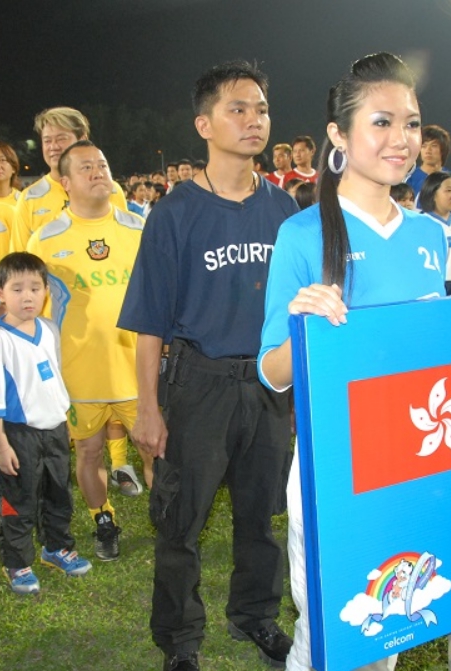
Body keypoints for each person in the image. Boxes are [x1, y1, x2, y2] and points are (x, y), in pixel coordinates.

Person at [257, 52, 451, 671]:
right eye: (381, 122)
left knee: (391, 625)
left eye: (412, 124)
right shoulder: (303, 233)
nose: (402, 139)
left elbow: (437, 340)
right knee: (334, 636)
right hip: (336, 468)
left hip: (415, 462)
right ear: (339, 135)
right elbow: (271, 371)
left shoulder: (429, 233)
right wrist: (303, 322)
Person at [118, 60, 298, 671]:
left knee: (261, 517)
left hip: (270, 385)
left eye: (261, 109)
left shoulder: (284, 210)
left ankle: (255, 616)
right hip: (198, 384)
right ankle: (179, 640)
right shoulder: (174, 212)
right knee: (180, 522)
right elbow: (150, 321)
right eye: (237, 109)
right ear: (204, 124)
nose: (254, 120)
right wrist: (148, 409)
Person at [23, 139, 152, 561]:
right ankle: (103, 519)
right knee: (90, 452)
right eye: (86, 167)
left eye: (102, 164)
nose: (98, 172)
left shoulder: (138, 227)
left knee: (155, 449)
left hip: (137, 367)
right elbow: (25, 302)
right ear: (65, 182)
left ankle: (167, 519)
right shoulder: (45, 239)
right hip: (79, 373)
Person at [0, 252, 93, 594]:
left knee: (58, 493)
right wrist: (1, 446)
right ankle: (16, 561)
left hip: (54, 430)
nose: (27, 296)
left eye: (35, 288)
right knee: (19, 500)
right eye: (17, 289)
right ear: (0, 294)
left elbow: (52, 377)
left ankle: (56, 547)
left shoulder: (49, 329)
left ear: (45, 291)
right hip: (17, 435)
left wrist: (63, 418)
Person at [12, 107, 128, 252]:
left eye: (61, 139)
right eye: (47, 141)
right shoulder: (30, 198)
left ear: (82, 140)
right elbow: (19, 258)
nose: (53, 147)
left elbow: (125, 242)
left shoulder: (110, 190)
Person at [405, 124, 450, 196]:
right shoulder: (410, 179)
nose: (428, 150)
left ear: (443, 150)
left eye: (434, 146)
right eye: (424, 146)